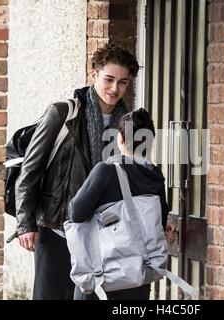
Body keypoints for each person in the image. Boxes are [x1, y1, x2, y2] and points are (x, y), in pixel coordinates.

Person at [14, 43, 140, 300]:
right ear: (93, 75)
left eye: (123, 82)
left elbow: (139, 176)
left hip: (103, 233)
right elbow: (31, 169)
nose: (115, 89)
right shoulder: (63, 113)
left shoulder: (133, 123)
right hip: (57, 227)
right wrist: (25, 223)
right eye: (109, 79)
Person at [68, 108, 169, 300]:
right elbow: (160, 223)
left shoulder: (105, 171)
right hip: (138, 276)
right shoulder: (155, 176)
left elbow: (76, 213)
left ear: (120, 139)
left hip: (103, 278)